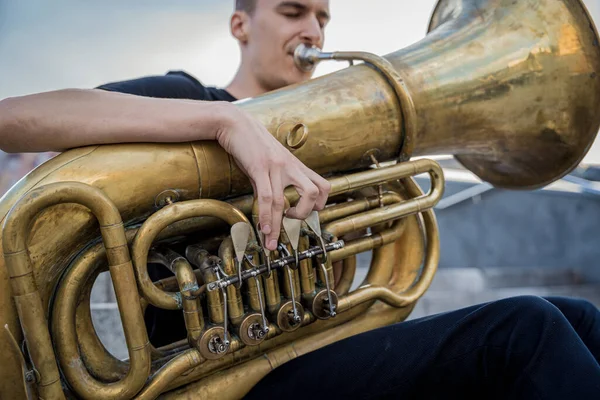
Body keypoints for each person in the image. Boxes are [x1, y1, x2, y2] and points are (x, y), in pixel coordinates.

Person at [0, 1, 598, 399]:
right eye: (291, 11)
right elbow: (14, 119)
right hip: (213, 376)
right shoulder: (187, 99)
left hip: (306, 354)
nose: (310, 31)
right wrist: (223, 123)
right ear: (241, 24)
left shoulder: (325, 138)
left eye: (321, 18)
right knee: (530, 331)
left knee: (579, 318)